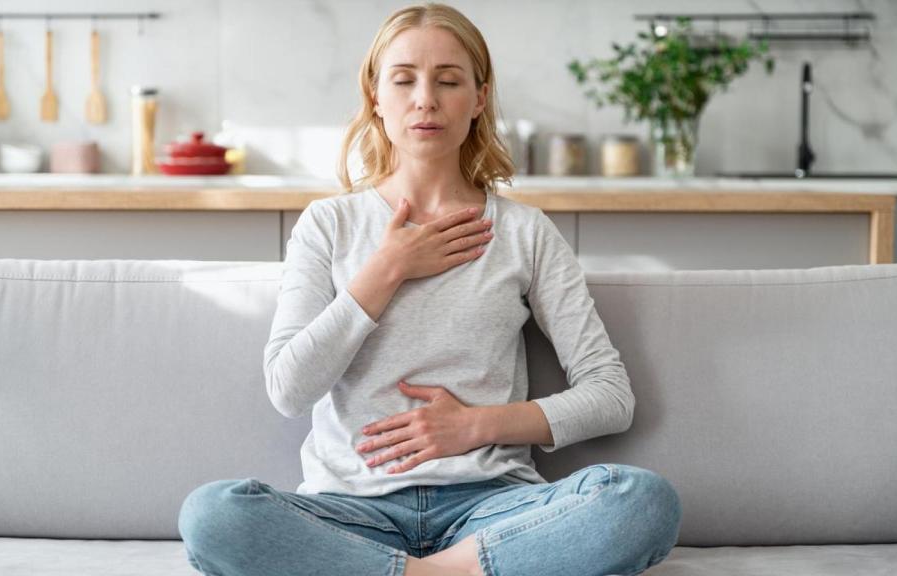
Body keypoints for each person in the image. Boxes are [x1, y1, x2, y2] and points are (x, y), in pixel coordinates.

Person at [178, 3, 681, 575]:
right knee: (212, 515)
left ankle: (416, 570)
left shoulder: (524, 232)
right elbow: (289, 390)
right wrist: (386, 269)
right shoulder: (328, 225)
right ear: (375, 96)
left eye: (448, 81)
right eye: (404, 79)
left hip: (490, 505)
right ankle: (452, 572)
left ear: (479, 98)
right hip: (351, 511)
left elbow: (611, 396)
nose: (426, 99)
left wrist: (475, 425)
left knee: (641, 501)